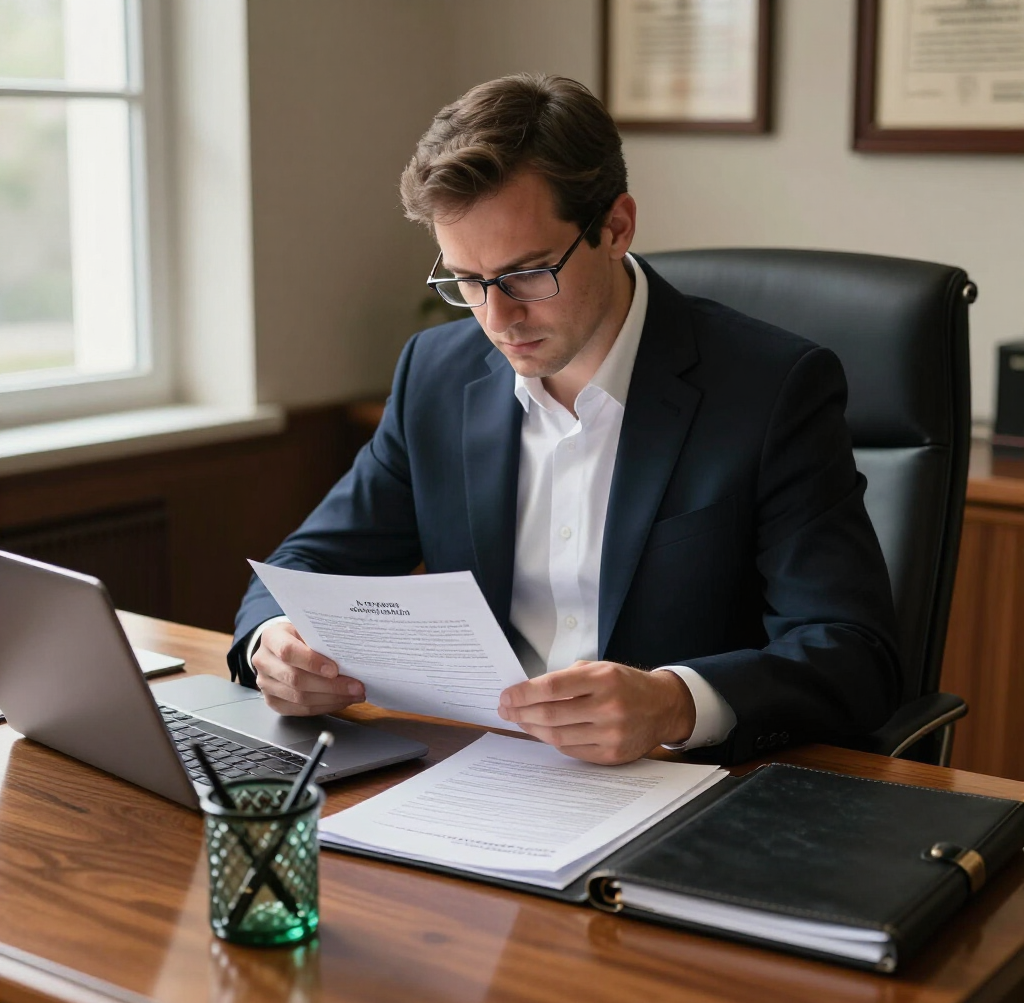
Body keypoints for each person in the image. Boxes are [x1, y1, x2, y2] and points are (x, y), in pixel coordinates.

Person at [230, 73, 901, 766]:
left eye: (527, 274)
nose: (497, 318)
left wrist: (675, 701)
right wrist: (275, 642)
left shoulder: (772, 390)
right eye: (466, 279)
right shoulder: (436, 374)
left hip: (683, 784)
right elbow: (304, 566)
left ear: (615, 227)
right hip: (477, 773)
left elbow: (853, 653)